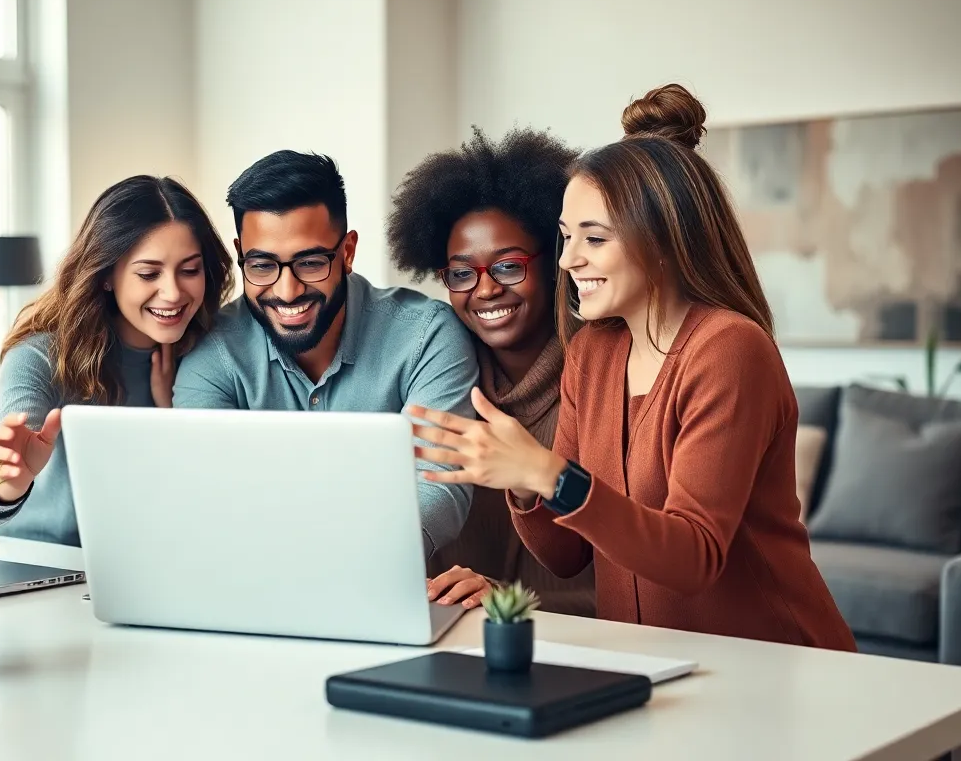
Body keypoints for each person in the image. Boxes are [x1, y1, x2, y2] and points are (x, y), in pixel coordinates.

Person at [407, 84, 856, 650]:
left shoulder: (729, 350)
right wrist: (523, 481)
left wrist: (548, 473)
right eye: (567, 238)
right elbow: (566, 557)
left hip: (773, 663)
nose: (569, 260)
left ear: (664, 241)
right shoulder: (593, 352)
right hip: (655, 665)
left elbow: (694, 556)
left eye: (594, 238)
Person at [172, 150, 479, 557]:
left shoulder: (427, 335)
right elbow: (205, 491)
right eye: (262, 266)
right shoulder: (213, 348)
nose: (287, 291)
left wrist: (350, 557)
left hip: (382, 580)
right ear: (241, 253)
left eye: (311, 262)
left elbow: (437, 484)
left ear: (347, 252)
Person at [387, 126, 594, 614]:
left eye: (507, 266)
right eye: (462, 273)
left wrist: (512, 603)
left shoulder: (601, 376)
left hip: (580, 646)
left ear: (554, 263)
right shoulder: (438, 380)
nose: (484, 290)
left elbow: (633, 589)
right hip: (454, 642)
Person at [0, 175, 235, 545]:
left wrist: (173, 414)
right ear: (106, 276)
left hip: (142, 559)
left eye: (190, 270)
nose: (173, 292)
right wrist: (8, 483)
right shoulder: (39, 356)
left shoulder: (205, 356)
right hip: (37, 560)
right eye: (149, 273)